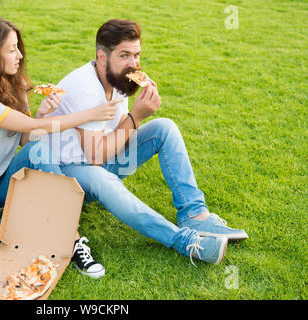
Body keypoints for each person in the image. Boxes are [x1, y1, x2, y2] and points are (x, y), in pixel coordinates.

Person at [43, 19, 248, 269]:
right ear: (102, 57)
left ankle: (195, 215)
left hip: (97, 162)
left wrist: (134, 115)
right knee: (103, 178)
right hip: (67, 177)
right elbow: (96, 157)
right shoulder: (84, 87)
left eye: (137, 55)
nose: (134, 63)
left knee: (165, 128)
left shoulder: (117, 80)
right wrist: (136, 116)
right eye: (125, 55)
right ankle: (186, 242)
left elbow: (118, 133)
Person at [0, 16, 117, 278]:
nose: (20, 55)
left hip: (5, 181)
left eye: (18, 47)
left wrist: (41, 114)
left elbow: (26, 138)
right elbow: (32, 128)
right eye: (12, 49)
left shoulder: (16, 86)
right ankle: (35, 225)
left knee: (39, 151)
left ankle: (71, 239)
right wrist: (91, 114)